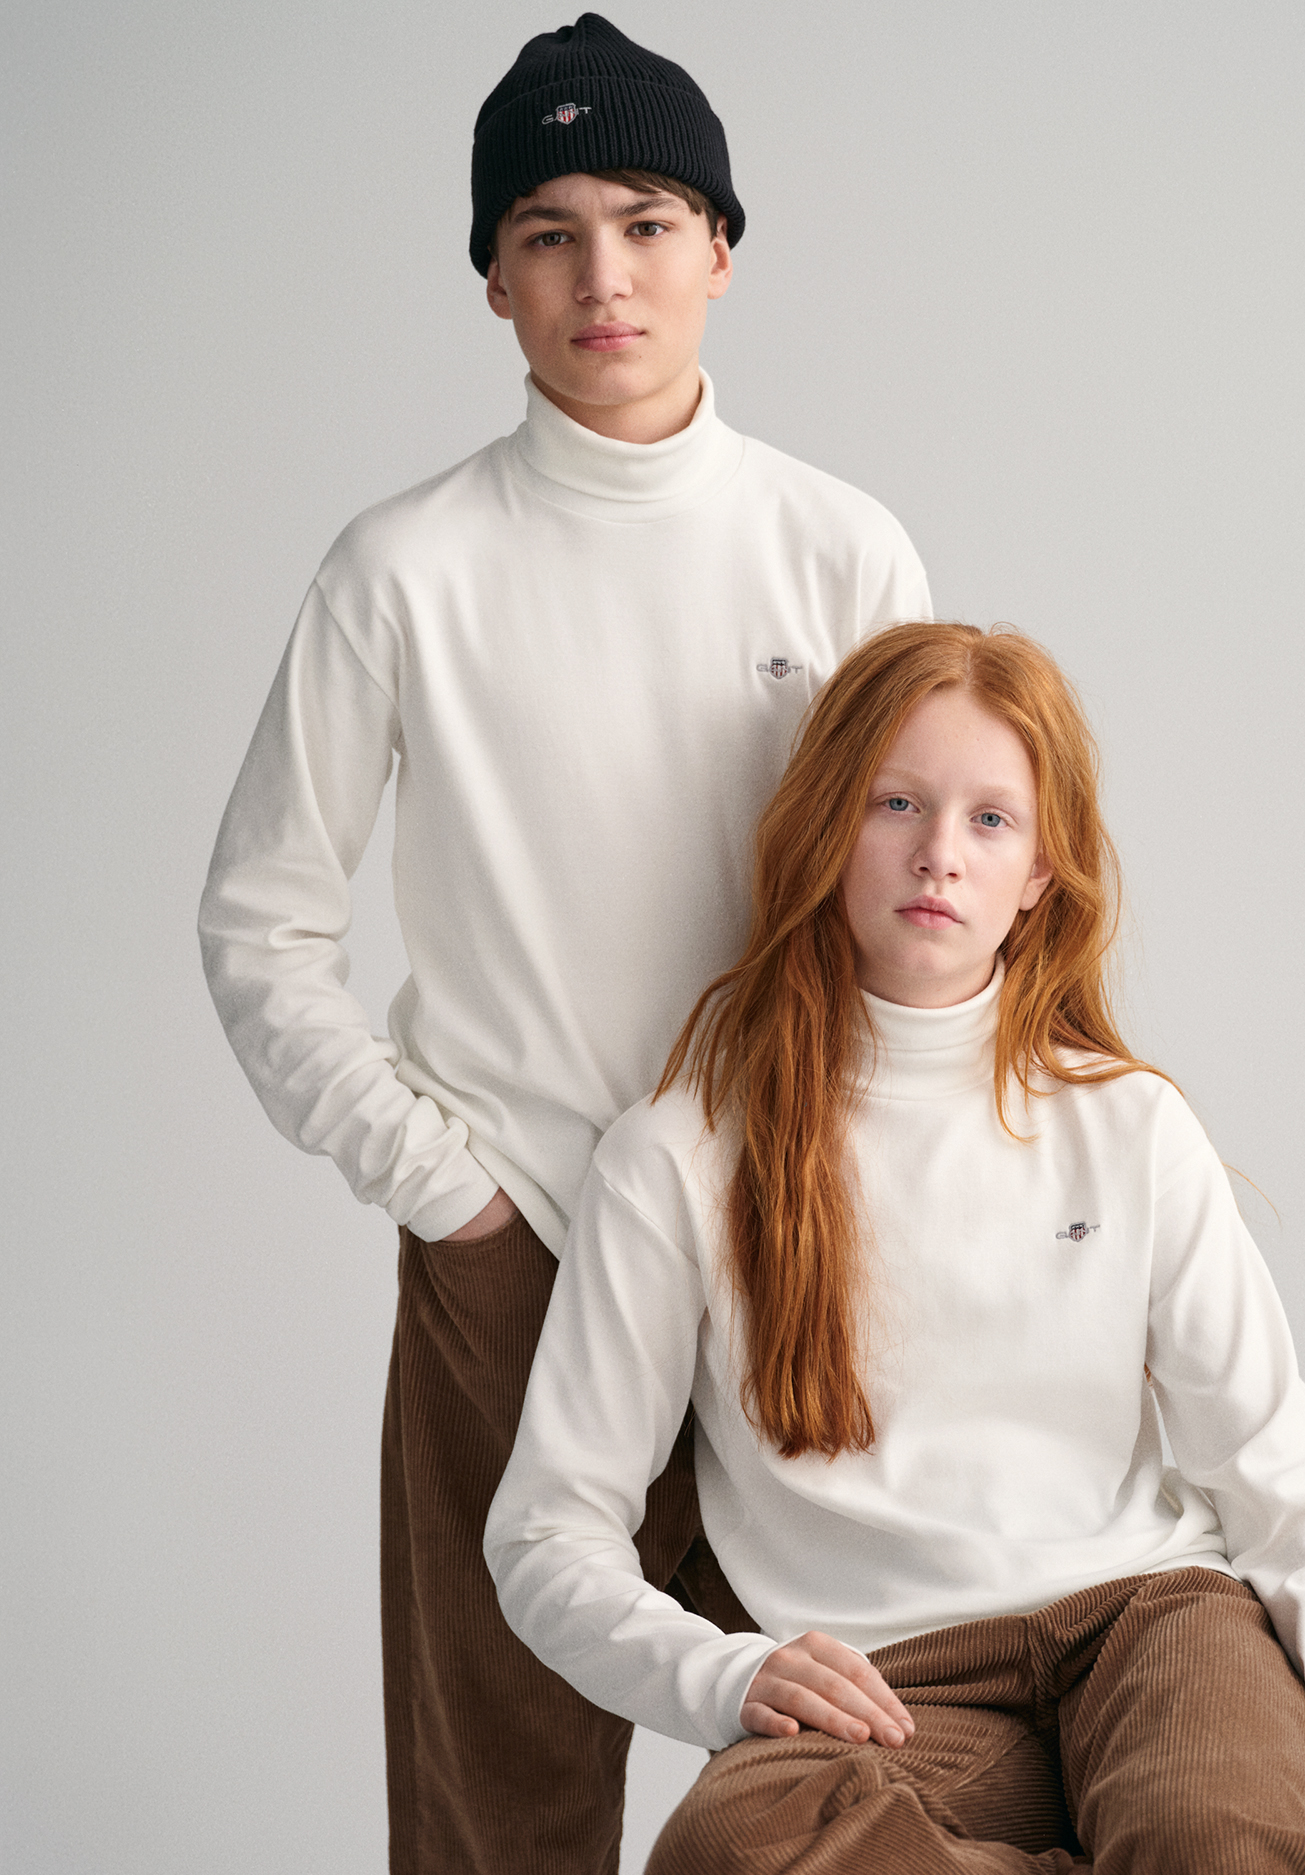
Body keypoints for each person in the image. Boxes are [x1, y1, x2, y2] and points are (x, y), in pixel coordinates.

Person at [197, 14, 929, 1873]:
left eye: (649, 221)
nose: (605, 275)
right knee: (497, 1801)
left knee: (864, 1755)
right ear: (495, 280)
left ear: (721, 251)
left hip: (791, 1229)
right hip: (512, 1245)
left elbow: (924, 898)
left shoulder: (842, 553)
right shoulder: (401, 570)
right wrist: (447, 1193)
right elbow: (262, 921)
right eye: (549, 233)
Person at [487, 622, 1305, 1875]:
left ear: (1040, 875)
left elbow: (1291, 1503)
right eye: (895, 803)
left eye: (991, 820)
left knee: (1204, 1842)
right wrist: (723, 1674)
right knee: (735, 1849)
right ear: (826, 828)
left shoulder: (1130, 1127)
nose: (939, 854)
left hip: (1157, 1624)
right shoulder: (678, 1155)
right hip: (896, 1692)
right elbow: (546, 1533)